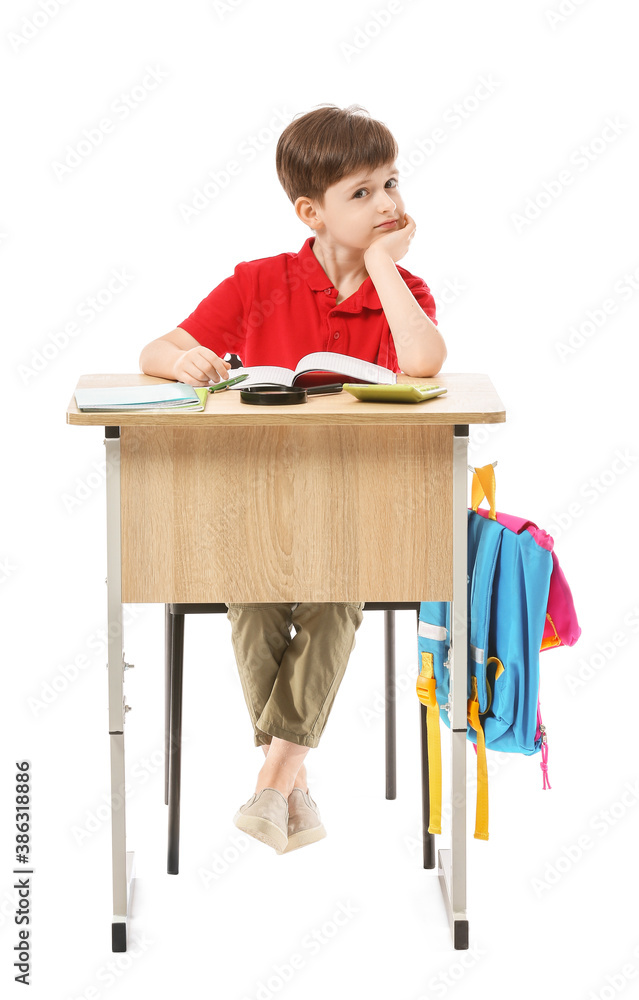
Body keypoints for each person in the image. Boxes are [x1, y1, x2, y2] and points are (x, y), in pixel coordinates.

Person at [139, 103, 447, 856]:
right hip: (259, 501)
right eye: (362, 193)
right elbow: (158, 347)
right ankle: (291, 781)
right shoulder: (258, 283)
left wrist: (381, 266)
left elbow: (423, 365)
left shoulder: (402, 290)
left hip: (360, 507)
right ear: (311, 211)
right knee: (250, 589)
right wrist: (184, 361)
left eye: (391, 184)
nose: (387, 204)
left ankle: (273, 781)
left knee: (338, 589)